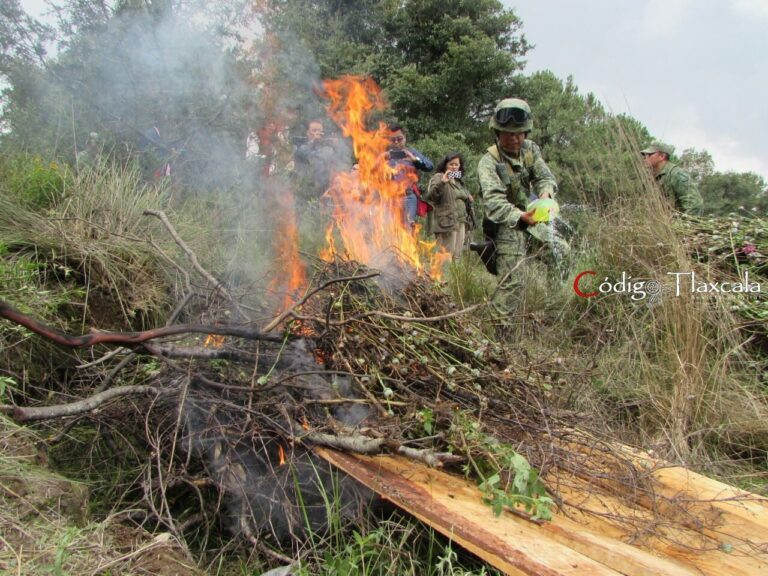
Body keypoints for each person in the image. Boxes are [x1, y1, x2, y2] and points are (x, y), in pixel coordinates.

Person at [476, 97, 570, 323]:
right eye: (508, 134)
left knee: (561, 252)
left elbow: (544, 177)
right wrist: (520, 217)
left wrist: (546, 194)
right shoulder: (488, 163)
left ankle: (552, 315)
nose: (514, 139)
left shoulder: (530, 150)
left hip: (532, 220)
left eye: (519, 133)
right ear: (497, 133)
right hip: (506, 224)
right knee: (513, 281)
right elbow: (494, 203)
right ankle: (500, 338)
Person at [424, 152, 473, 260]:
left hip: (460, 221)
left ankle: (454, 278)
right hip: (446, 221)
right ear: (445, 165)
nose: (454, 167)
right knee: (445, 256)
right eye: (451, 164)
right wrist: (442, 182)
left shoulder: (459, 182)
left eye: (456, 164)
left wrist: (467, 196)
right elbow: (431, 197)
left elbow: (460, 196)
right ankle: (443, 277)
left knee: (457, 256)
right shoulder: (438, 177)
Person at [385, 123, 434, 228]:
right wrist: (381, 160)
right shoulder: (385, 155)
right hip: (391, 197)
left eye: (399, 139)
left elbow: (430, 166)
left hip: (408, 197)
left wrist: (415, 160)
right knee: (391, 228)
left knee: (407, 227)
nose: (396, 142)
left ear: (405, 138)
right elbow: (369, 172)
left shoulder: (412, 153)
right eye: (393, 140)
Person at [641, 141, 703, 214]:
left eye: (649, 154)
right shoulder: (651, 177)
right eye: (644, 155)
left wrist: (682, 224)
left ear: (662, 156)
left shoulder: (677, 174)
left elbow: (695, 205)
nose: (645, 157)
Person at [293, 119, 341, 199]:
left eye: (320, 131)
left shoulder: (328, 149)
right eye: (314, 130)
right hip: (305, 190)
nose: (318, 133)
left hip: (324, 190)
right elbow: (300, 154)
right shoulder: (301, 146)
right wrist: (313, 142)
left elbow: (336, 165)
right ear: (307, 132)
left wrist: (336, 147)